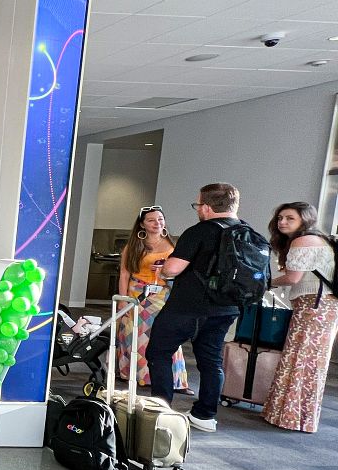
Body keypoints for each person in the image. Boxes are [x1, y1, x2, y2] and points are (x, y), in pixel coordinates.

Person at [147, 183, 246, 433]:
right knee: (211, 362)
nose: (198, 209)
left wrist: (164, 270)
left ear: (207, 207)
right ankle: (205, 416)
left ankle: (162, 411)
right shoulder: (247, 232)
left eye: (198, 205)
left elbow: (172, 269)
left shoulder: (199, 231)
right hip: (227, 309)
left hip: (187, 307)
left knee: (159, 353)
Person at [261, 202, 338, 433]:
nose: (282, 222)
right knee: (307, 361)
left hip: (314, 306)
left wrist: (266, 283)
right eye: (280, 218)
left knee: (301, 359)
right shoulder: (319, 239)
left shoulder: (303, 241)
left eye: (290, 218)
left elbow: (293, 278)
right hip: (322, 306)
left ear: (304, 220)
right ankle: (293, 416)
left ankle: (291, 416)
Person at [116, 206, 190, 393]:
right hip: (138, 292)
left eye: (160, 219)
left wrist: (166, 271)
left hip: (163, 293)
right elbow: (124, 274)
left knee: (166, 334)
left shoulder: (173, 245)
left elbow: (182, 271)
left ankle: (172, 378)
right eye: (151, 220)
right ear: (142, 224)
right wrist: (123, 299)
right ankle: (137, 375)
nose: (157, 223)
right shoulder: (133, 246)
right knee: (136, 333)